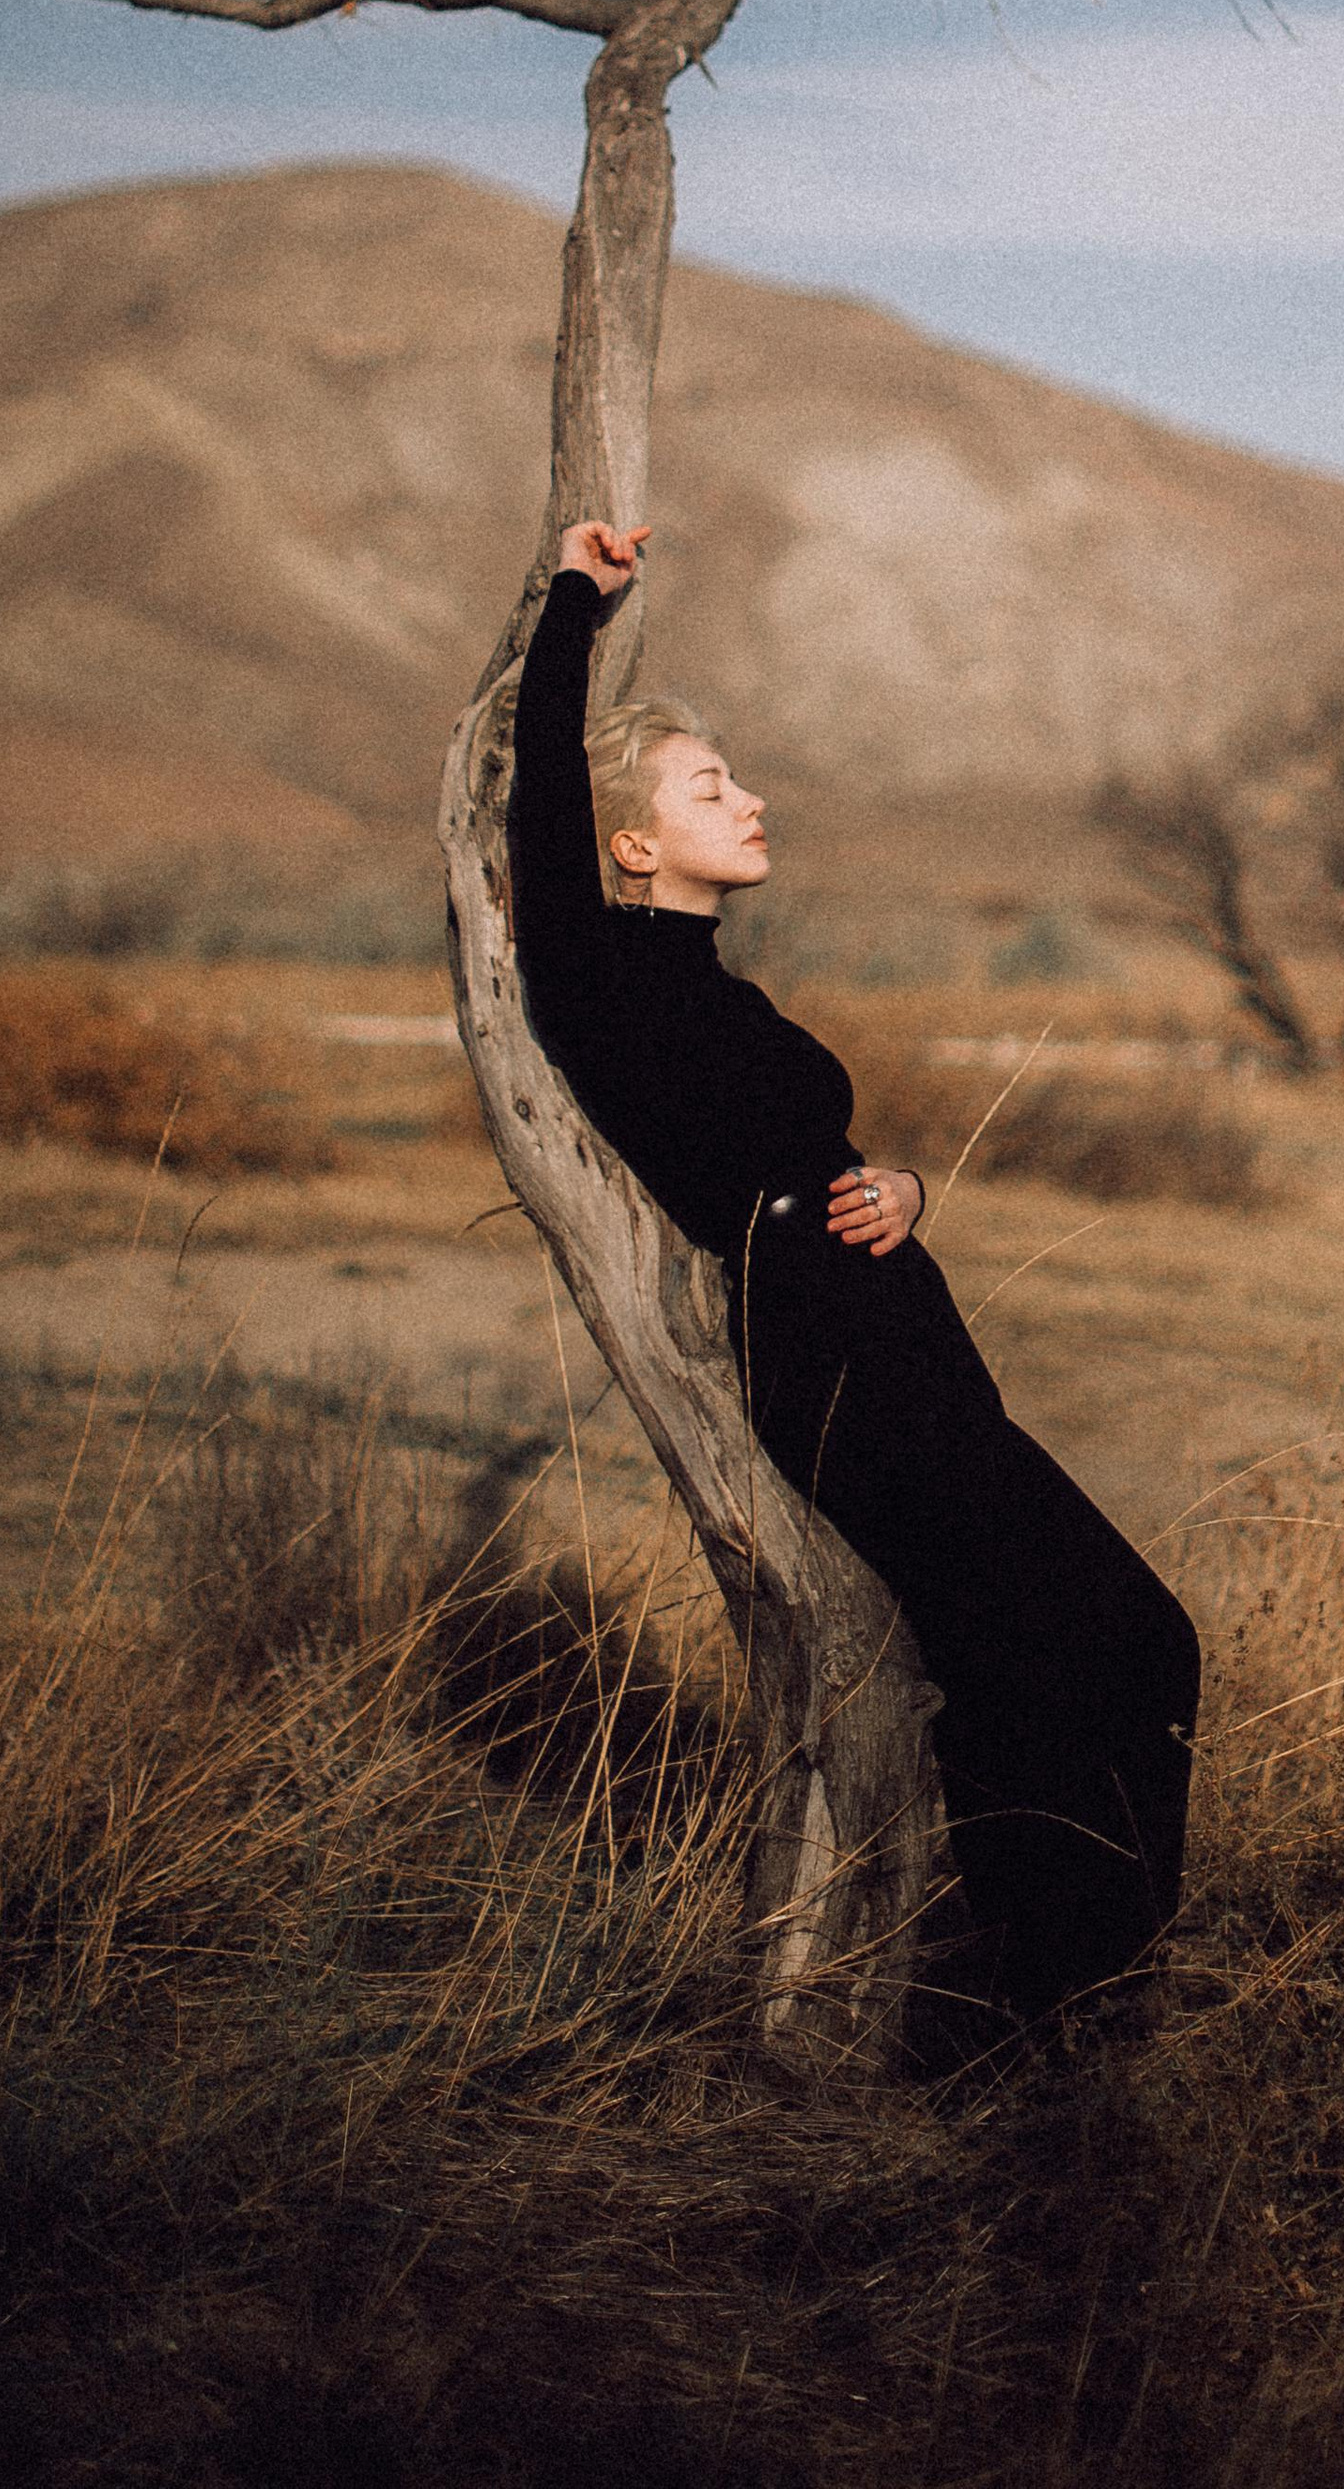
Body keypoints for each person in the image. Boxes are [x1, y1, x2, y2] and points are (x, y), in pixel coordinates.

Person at [506, 517, 1200, 2031]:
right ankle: (1052, 2016)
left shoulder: (725, 995)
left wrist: (908, 1186)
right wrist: (572, 598)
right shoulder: (603, 982)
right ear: (630, 846)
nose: (749, 800)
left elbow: (810, 1150)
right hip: (839, 1382)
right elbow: (537, 811)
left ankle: (1084, 2001)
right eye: (708, 788)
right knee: (1070, 1660)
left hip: (915, 1361)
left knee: (1114, 1649)